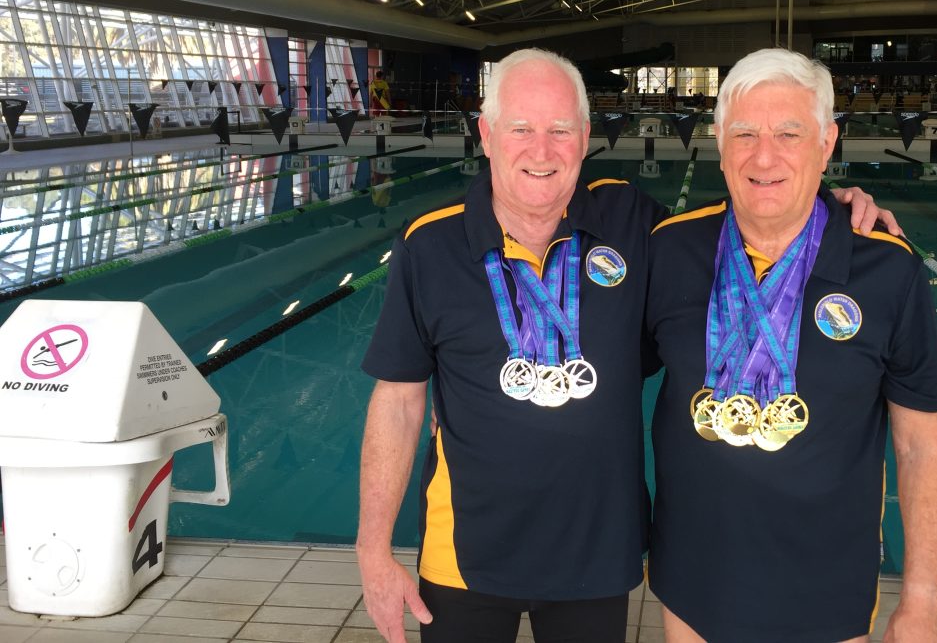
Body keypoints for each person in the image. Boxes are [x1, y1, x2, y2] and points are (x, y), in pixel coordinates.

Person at [356, 48, 900, 643]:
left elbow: (743, 228)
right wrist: (372, 551)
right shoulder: (429, 247)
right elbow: (399, 400)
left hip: (597, 559)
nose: (542, 151)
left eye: (560, 130)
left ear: (585, 136)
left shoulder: (633, 223)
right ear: (486, 134)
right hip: (463, 556)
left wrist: (830, 203)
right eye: (521, 129)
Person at [645, 48, 937, 643]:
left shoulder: (887, 269)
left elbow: (920, 446)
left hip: (827, 585)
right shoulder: (670, 249)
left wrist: (919, 600)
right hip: (693, 575)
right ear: (717, 138)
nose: (765, 157)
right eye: (745, 134)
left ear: (827, 140)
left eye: (790, 133)